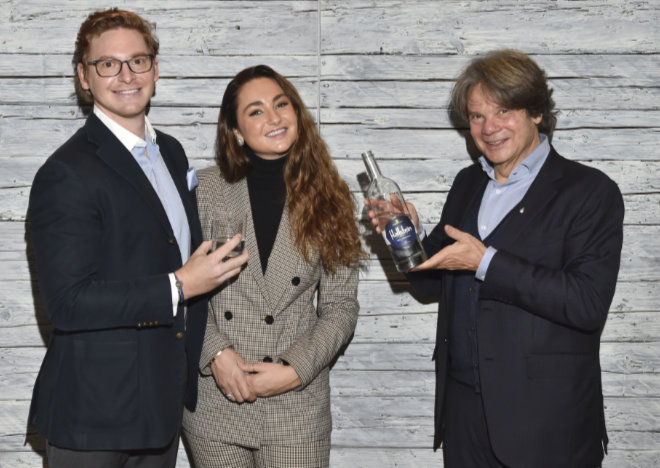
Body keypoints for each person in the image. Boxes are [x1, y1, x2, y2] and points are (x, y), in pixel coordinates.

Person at [366, 49, 624, 467]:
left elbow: (586, 303)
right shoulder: (468, 183)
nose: (489, 128)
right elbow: (432, 282)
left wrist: (486, 261)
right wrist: (405, 238)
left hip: (548, 424)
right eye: (477, 116)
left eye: (503, 111)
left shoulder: (590, 192)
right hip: (465, 415)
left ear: (536, 112)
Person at [26, 8, 247, 468]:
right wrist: (180, 285)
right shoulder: (65, 173)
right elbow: (68, 303)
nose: (126, 74)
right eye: (108, 64)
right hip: (94, 413)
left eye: (138, 61)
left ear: (155, 69)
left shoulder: (171, 150)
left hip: (160, 408)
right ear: (84, 77)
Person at [182, 65, 363, 467]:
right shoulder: (204, 190)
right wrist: (214, 354)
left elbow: (340, 306)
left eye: (282, 104)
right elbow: (181, 286)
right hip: (218, 397)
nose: (275, 117)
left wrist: (295, 370)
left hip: (296, 404)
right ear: (236, 131)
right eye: (257, 111)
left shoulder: (332, 194)